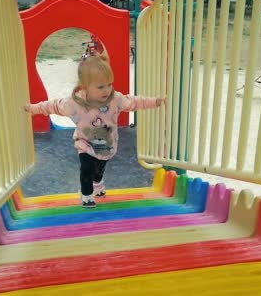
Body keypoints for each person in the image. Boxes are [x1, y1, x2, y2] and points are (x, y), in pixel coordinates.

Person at [24, 53, 165, 208]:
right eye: (100, 87)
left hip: (107, 146)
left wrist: (155, 102)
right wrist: (33, 109)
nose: (107, 90)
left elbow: (135, 102)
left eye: (109, 84)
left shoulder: (115, 100)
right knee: (86, 168)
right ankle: (86, 195)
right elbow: (53, 106)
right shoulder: (75, 103)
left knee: (98, 170)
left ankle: (98, 184)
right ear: (85, 87)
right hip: (85, 142)